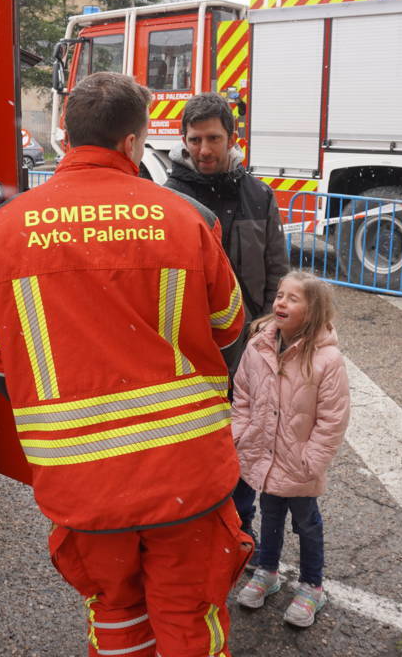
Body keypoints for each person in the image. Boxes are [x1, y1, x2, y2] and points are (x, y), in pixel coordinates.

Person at [0, 72, 252, 657]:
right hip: (185, 472)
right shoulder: (187, 218)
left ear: (65, 135)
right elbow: (229, 329)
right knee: (189, 617)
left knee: (116, 613)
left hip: (79, 477)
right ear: (131, 142)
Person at [164, 92, 291, 555]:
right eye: (195, 139)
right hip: (189, 344)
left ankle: (239, 526)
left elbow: (276, 268)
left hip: (248, 341)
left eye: (213, 139)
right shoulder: (168, 199)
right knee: (192, 439)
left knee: (245, 437)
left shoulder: (259, 195)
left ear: (232, 138)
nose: (204, 150)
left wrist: (273, 327)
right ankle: (193, 523)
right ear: (183, 139)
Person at [230, 271, 350, 628]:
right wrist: (242, 434)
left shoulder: (327, 360)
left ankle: (312, 585)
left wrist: (310, 461)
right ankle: (268, 571)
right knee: (269, 514)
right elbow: (243, 394)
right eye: (280, 295)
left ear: (312, 311)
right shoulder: (258, 345)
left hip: (299, 463)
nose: (280, 302)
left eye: (292, 298)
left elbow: (333, 419)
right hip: (264, 454)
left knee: (306, 523)